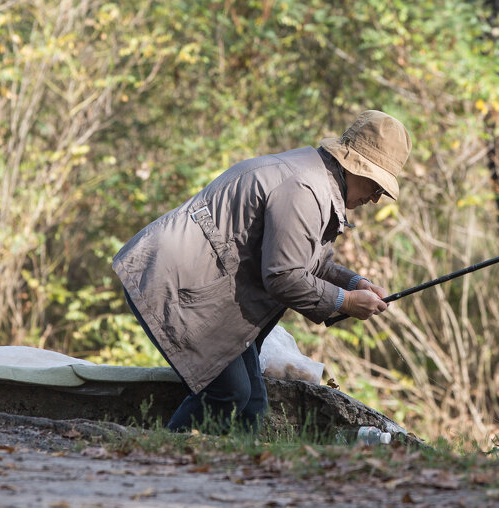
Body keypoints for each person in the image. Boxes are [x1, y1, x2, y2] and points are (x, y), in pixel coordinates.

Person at [112, 110, 410, 434]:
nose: (376, 199)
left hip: (196, 283)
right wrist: (346, 302)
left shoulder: (318, 180)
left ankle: (232, 479)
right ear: (354, 167)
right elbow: (284, 276)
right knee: (229, 394)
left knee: (251, 403)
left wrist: (357, 283)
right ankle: (163, 464)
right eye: (376, 185)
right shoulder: (305, 189)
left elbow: (312, 263)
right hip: (172, 279)